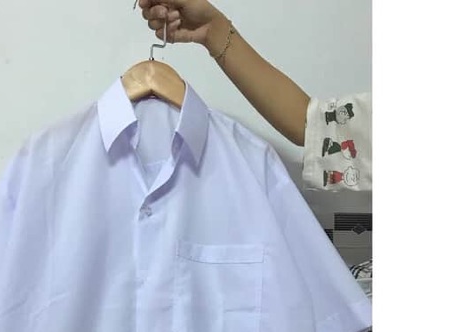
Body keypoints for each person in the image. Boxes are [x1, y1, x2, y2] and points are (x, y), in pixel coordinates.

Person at [137, 0, 371, 192]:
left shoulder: (247, 165)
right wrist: (211, 28)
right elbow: (317, 126)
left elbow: (319, 129)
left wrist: (212, 28)